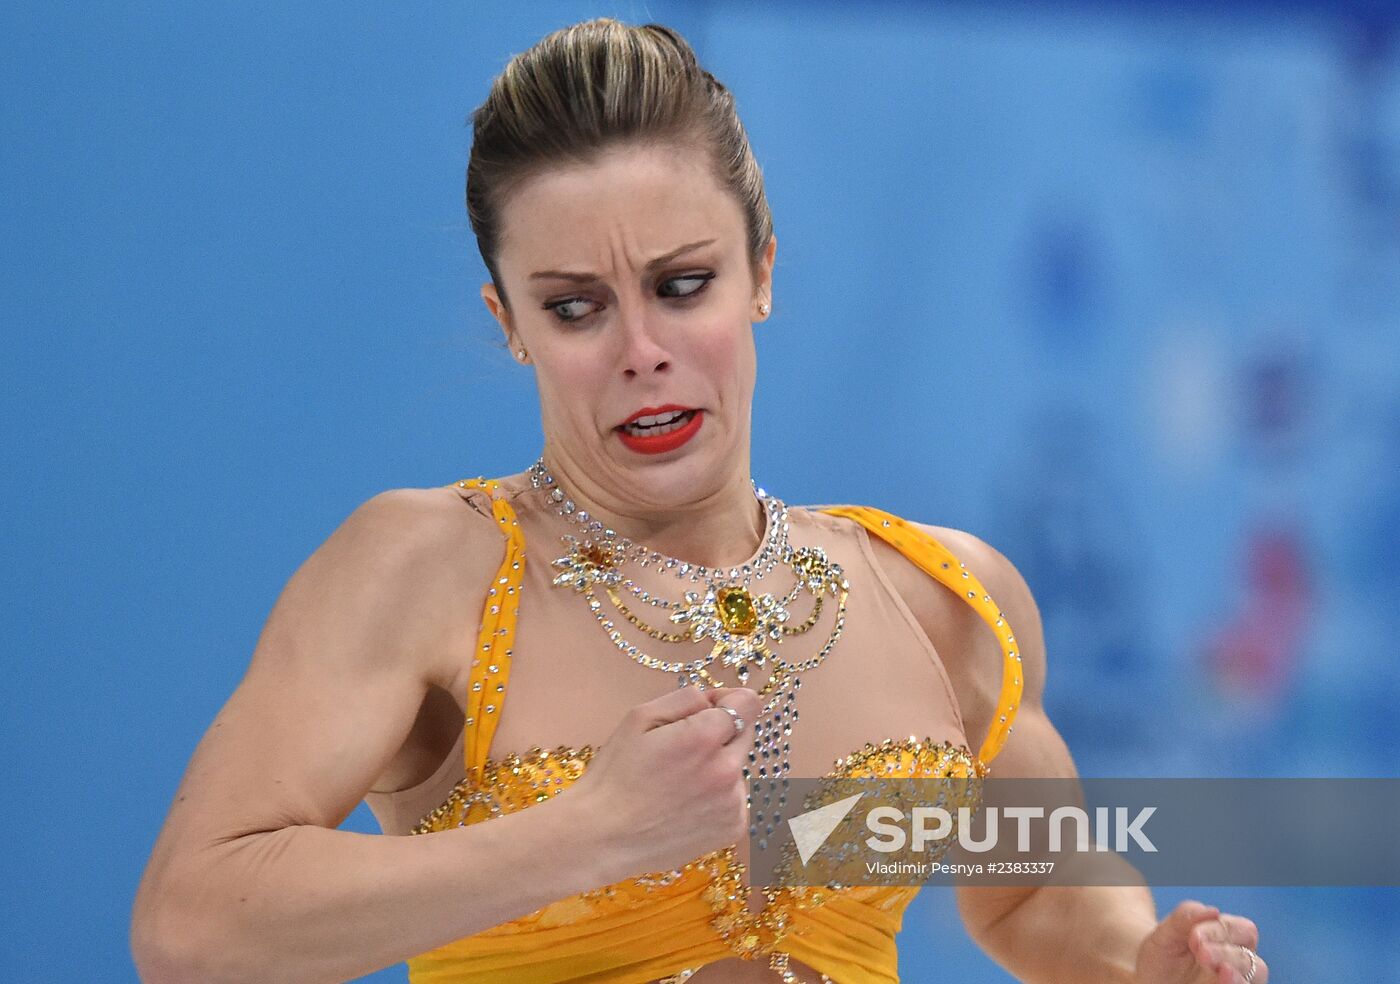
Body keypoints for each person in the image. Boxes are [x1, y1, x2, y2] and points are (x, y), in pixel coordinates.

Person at [131, 18, 1268, 984]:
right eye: (575, 308)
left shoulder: (939, 599)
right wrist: (583, 834)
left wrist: (1140, 961)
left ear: (761, 272)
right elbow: (191, 922)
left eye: (682, 287)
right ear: (507, 325)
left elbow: (1030, 901)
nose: (643, 352)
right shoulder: (425, 571)